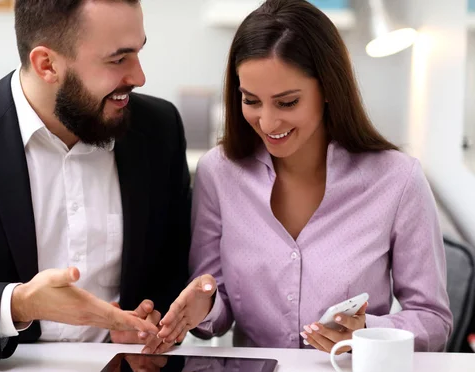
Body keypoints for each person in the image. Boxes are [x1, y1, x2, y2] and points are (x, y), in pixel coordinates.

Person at [0, 0, 190, 359]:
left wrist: (154, 321)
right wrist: (18, 305)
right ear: (47, 64)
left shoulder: (159, 128)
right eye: (119, 60)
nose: (139, 76)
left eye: (138, 52)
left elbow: (173, 276)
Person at [156, 0, 452, 353]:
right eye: (251, 100)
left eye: (287, 102)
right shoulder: (217, 173)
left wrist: (366, 333)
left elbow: (433, 319)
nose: (267, 122)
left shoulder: (398, 180)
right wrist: (202, 305)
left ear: (328, 89)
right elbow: (215, 316)